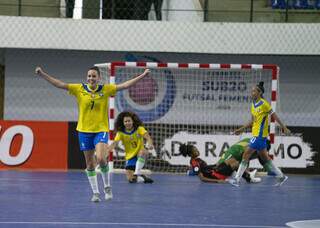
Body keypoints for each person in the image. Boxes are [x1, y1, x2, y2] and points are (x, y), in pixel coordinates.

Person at [35, 66, 150, 202]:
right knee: (90, 164)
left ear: (99, 78)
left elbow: (124, 85)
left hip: (100, 130)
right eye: (89, 76)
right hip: (84, 131)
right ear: (86, 77)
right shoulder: (79, 89)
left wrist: (142, 75)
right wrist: (42, 74)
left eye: (94, 76)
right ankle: (95, 193)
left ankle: (107, 187)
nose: (91, 78)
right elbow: (60, 84)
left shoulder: (106, 89)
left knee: (101, 158)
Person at [228, 81, 291, 187]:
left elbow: (274, 116)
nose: (251, 93)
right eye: (251, 91)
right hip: (256, 135)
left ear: (259, 92)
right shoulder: (253, 104)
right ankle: (281, 176)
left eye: (254, 91)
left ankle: (236, 180)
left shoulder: (264, 104)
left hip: (260, 136)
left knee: (246, 154)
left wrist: (283, 127)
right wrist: (241, 129)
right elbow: (253, 121)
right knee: (265, 159)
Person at [179, 138, 263, 184]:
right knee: (236, 164)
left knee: (232, 160)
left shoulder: (196, 160)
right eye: (195, 150)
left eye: (196, 148)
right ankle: (248, 178)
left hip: (215, 169)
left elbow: (202, 169)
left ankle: (240, 174)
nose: (197, 150)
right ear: (190, 154)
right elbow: (202, 178)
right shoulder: (194, 162)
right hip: (216, 175)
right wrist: (218, 181)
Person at [107, 111, 154, 184]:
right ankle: (143, 178)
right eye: (125, 121)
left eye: (129, 121)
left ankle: (137, 172)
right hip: (130, 156)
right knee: (131, 180)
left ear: (133, 121)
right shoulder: (120, 133)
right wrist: (108, 149)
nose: (127, 123)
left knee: (142, 151)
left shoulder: (139, 129)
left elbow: (148, 137)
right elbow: (115, 143)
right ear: (123, 123)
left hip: (140, 154)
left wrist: (150, 144)